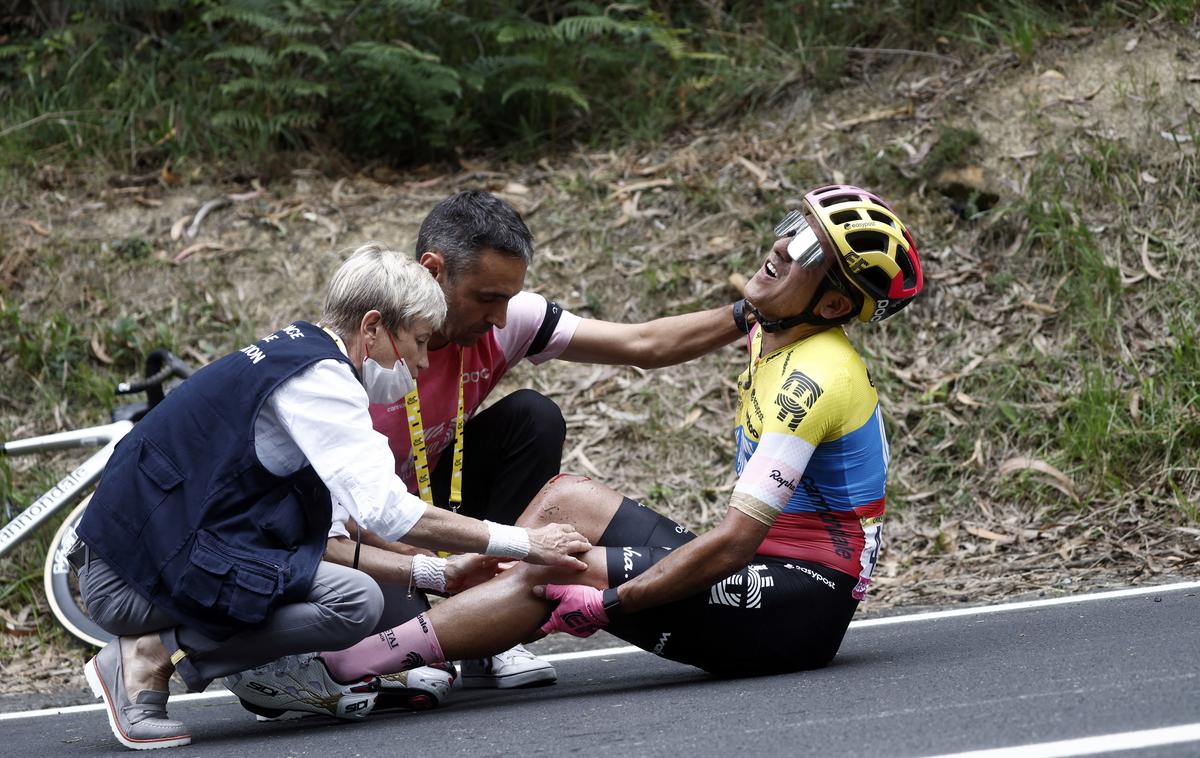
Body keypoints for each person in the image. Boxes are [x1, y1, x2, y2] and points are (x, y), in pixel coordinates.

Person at [234, 183, 923, 699]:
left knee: (552, 559)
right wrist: (444, 572)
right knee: (565, 504)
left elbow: (735, 536)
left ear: (832, 305)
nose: (778, 248)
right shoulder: (353, 361)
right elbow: (329, 518)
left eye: (803, 250)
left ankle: (345, 667)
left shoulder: (814, 374)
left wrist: (609, 601)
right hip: (343, 531)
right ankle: (477, 624)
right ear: (433, 273)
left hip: (798, 599)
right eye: (788, 229)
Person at [72, 244, 591, 751]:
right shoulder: (321, 380)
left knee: (358, 596)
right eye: (418, 340)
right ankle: (152, 655)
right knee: (353, 603)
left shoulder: (296, 356)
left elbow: (328, 538)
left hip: (150, 556)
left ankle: (166, 650)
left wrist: (440, 574)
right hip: (128, 579)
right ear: (372, 328)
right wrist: (524, 543)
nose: (423, 363)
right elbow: (387, 511)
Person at [337, 190, 752, 691]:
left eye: (509, 299)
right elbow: (337, 514)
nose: (501, 318)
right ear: (433, 270)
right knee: (421, 675)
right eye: (488, 298)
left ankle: (497, 617)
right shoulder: (361, 354)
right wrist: (428, 571)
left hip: (435, 500)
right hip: (361, 524)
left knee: (533, 416)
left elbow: (645, 344)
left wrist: (751, 313)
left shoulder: (508, 321)